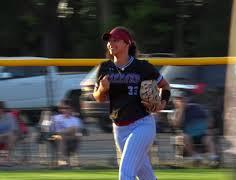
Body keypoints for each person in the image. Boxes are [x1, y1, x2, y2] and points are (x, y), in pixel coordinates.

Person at [93, 26, 171, 180]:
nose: (110, 43)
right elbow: (98, 98)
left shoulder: (143, 67)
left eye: (115, 40)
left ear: (127, 43)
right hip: (119, 128)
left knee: (126, 173)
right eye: (109, 40)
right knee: (145, 175)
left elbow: (165, 86)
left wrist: (162, 102)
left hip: (142, 125)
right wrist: (102, 89)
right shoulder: (105, 68)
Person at [171, 90, 218, 163]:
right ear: (175, 101)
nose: (182, 101)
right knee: (184, 137)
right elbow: (177, 125)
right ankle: (195, 156)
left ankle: (214, 158)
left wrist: (208, 127)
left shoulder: (196, 107)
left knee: (208, 138)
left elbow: (209, 119)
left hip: (201, 133)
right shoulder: (174, 113)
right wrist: (181, 109)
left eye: (182, 99)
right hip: (188, 135)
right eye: (179, 99)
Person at [50, 99, 83, 167]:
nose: (65, 110)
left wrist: (68, 132)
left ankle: (63, 161)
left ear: (71, 109)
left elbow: (78, 132)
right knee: (69, 131)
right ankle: (65, 160)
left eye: (67, 108)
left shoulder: (76, 120)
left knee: (73, 132)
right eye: (62, 108)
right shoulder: (55, 118)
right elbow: (51, 131)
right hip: (55, 137)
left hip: (71, 139)